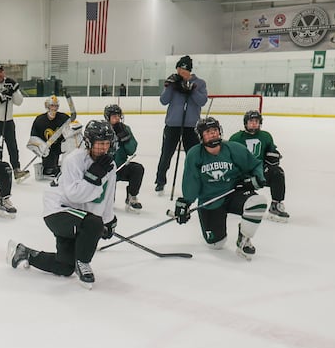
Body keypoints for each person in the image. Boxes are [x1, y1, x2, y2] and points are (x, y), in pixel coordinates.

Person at [9, 120, 119, 289]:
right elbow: (74, 195)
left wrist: (108, 220)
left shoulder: (109, 165)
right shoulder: (73, 160)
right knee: (93, 223)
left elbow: (106, 196)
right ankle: (83, 263)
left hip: (77, 215)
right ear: (89, 142)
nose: (104, 148)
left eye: (107, 143)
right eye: (100, 144)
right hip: (57, 211)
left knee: (65, 266)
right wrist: (93, 177)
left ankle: (25, 253)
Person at [174, 117, 268, 259]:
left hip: (234, 193)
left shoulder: (233, 148)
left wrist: (257, 178)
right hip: (210, 201)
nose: (213, 134)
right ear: (201, 136)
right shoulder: (195, 154)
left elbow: (255, 164)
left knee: (257, 202)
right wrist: (185, 202)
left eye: (215, 131)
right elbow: (191, 180)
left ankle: (244, 238)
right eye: (208, 132)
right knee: (216, 244)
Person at [155, 55, 210, 194]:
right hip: (173, 124)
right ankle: (160, 181)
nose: (181, 72)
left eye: (183, 70)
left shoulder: (200, 83)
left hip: (191, 126)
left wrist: (192, 91)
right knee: (166, 154)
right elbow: (163, 100)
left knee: (193, 155)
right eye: (179, 69)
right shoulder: (174, 81)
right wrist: (170, 86)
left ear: (189, 70)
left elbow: (202, 101)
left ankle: (196, 181)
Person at [228, 110, 289, 222]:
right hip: (242, 173)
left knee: (278, 172)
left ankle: (276, 204)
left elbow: (271, 152)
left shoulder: (266, 136)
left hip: (259, 171)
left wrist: (274, 155)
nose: (254, 124)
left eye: (256, 121)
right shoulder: (236, 138)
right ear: (245, 123)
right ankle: (229, 201)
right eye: (251, 121)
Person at [0, 64, 27, 179]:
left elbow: (19, 101)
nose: (0, 74)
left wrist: (15, 89)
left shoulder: (9, 84)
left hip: (8, 121)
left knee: (12, 146)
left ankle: (16, 169)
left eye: (1, 71)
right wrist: (1, 98)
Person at [104, 104, 145, 212]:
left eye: (118, 116)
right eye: (114, 116)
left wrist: (126, 139)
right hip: (105, 169)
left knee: (137, 169)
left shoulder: (125, 128)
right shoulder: (102, 129)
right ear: (107, 117)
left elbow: (131, 150)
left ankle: (132, 196)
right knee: (108, 202)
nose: (117, 118)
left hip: (120, 166)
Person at [27, 96, 72, 180]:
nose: (54, 108)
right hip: (48, 148)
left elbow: (73, 131)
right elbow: (34, 137)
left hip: (61, 145)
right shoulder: (39, 120)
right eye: (52, 105)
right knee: (49, 169)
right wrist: (40, 147)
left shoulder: (64, 118)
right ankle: (49, 167)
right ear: (47, 106)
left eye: (56, 106)